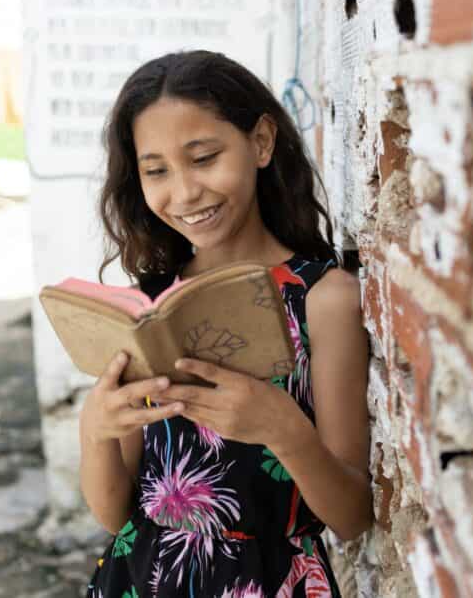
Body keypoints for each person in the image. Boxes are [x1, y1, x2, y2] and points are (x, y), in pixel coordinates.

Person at [80, 50, 371, 598]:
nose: (185, 192)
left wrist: (282, 429)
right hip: (142, 576)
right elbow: (114, 514)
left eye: (205, 157)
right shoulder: (145, 306)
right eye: (157, 171)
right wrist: (96, 431)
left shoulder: (322, 299)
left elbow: (352, 517)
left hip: (271, 581)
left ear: (260, 142)